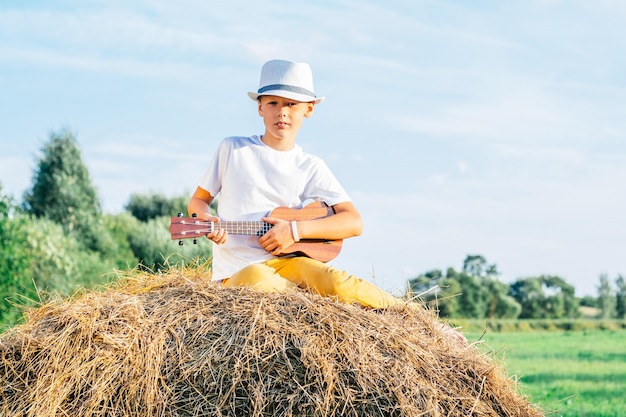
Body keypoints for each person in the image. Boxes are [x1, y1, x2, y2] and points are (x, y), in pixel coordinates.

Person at [187, 59, 458, 329]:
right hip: (236, 272)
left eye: (291, 104)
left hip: (288, 263)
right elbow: (199, 201)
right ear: (259, 107)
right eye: (273, 103)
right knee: (259, 278)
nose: (282, 112)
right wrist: (206, 219)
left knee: (336, 281)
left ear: (309, 109)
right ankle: (314, 316)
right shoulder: (233, 149)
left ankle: (423, 322)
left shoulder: (310, 166)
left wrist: (294, 231)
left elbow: (353, 222)